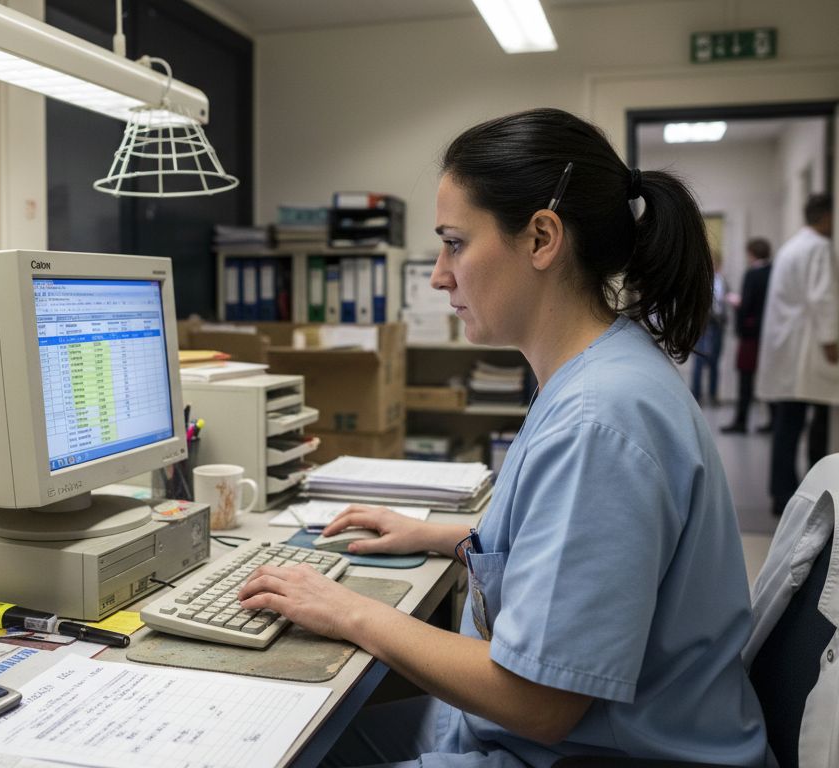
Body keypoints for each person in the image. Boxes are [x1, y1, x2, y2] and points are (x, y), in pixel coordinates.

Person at [238, 108, 767, 766]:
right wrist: (445, 536)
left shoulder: (599, 421)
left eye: (455, 243)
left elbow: (536, 702)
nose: (438, 275)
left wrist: (345, 609)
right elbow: (570, 550)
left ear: (542, 237)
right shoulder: (598, 372)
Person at [754, 193, 839, 516]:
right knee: (806, 425)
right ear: (825, 216)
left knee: (787, 426)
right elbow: (822, 297)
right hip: (804, 350)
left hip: (788, 349)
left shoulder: (792, 246)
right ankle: (811, 496)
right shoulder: (818, 247)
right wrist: (830, 340)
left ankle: (782, 495)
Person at [722, 238, 773, 434]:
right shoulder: (773, 272)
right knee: (768, 377)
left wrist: (738, 306)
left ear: (752, 253)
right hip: (768, 334)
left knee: (745, 378)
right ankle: (773, 421)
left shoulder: (752, 274)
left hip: (751, 334)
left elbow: (747, 304)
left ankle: (741, 421)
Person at [689, 250, 727, 403]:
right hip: (702, 324)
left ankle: (713, 395)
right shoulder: (698, 281)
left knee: (715, 361)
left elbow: (723, 302)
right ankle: (696, 395)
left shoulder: (722, 281)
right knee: (699, 360)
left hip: (717, 324)